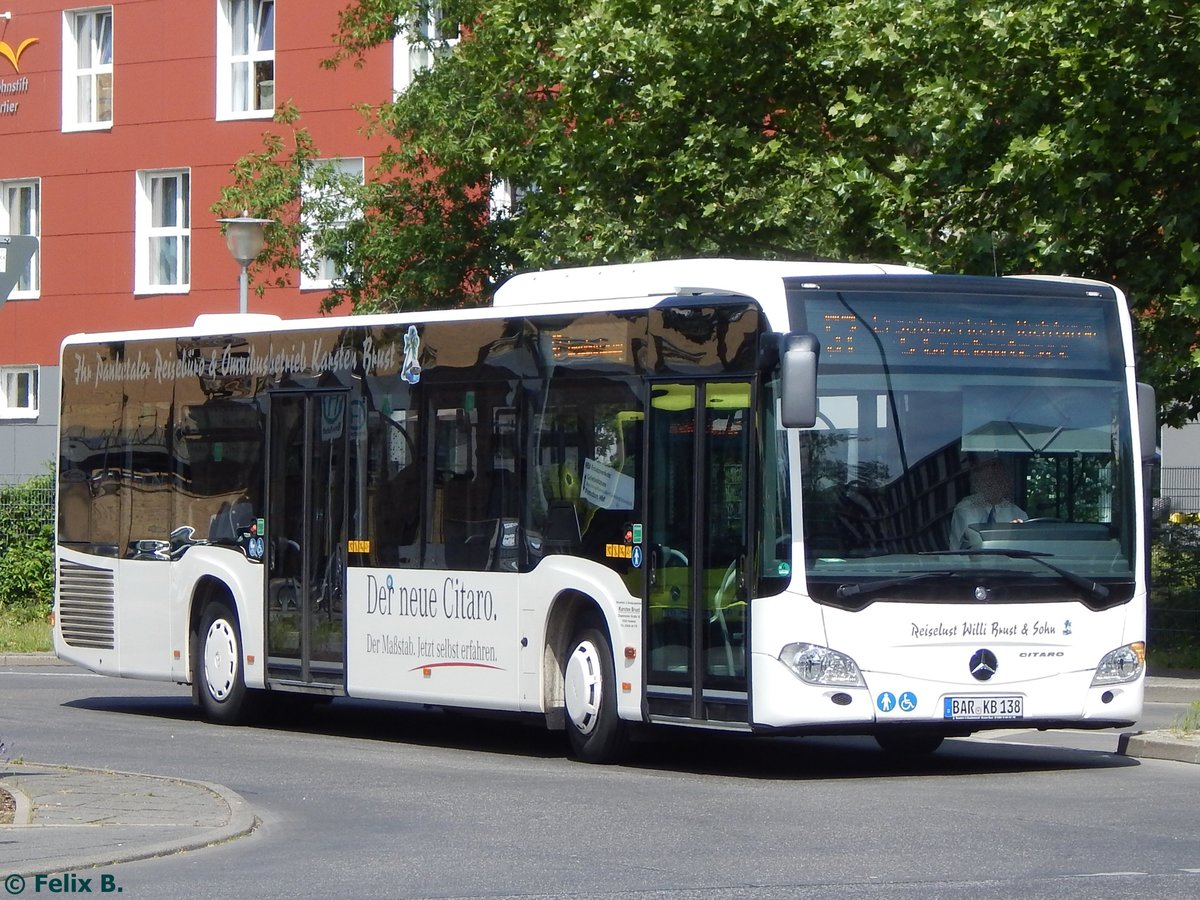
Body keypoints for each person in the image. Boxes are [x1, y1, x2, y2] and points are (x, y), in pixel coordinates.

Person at [948, 455, 1027, 548]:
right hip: (970, 562)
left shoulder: (1017, 513)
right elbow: (965, 545)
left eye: (1000, 480)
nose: (994, 484)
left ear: (1007, 484)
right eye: (988, 480)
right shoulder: (965, 509)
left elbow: (1024, 548)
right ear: (978, 483)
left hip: (1007, 562)